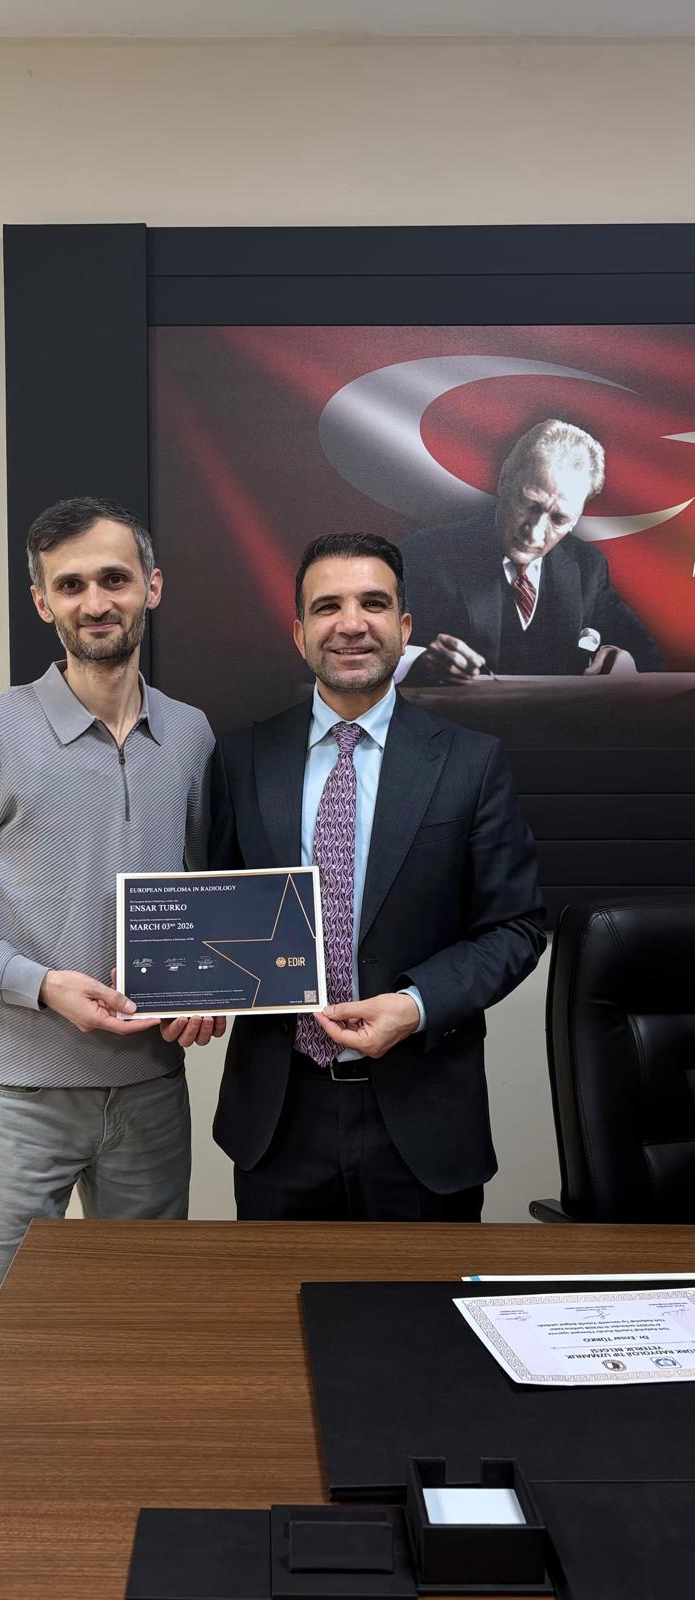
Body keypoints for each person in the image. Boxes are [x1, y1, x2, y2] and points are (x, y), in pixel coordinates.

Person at [0, 496, 223, 1374]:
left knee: (140, 1337)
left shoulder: (190, 734)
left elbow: (206, 900)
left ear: (151, 586)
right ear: (42, 603)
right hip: (18, 1098)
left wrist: (211, 991)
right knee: (3, 1346)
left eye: (114, 579)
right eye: (70, 586)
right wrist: (40, 985)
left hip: (150, 1093)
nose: (95, 601)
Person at [209, 531, 545, 1222]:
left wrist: (415, 1005)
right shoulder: (242, 758)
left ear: (405, 625)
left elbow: (516, 926)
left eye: (373, 603)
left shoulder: (471, 762)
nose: (351, 623)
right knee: (280, 1296)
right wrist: (185, 981)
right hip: (278, 1117)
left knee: (422, 1299)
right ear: (299, 632)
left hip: (423, 1114)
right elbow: (217, 907)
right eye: (327, 606)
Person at [401, 419, 662, 682]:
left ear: (576, 518)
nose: (534, 533)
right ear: (505, 480)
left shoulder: (587, 567)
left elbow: (646, 656)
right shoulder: (425, 554)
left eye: (559, 519)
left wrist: (627, 664)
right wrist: (420, 661)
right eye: (529, 504)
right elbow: (379, 650)